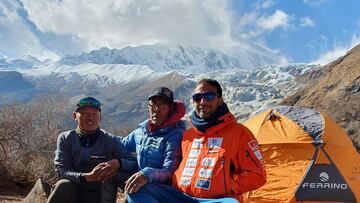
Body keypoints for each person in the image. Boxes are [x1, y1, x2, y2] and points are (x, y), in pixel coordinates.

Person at [128, 79, 266, 203]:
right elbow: (173, 167)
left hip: (216, 200)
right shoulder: (189, 135)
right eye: (197, 97)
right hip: (180, 196)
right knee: (138, 190)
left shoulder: (239, 133)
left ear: (220, 100)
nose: (203, 102)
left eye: (209, 96)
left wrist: (225, 185)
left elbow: (258, 175)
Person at [47, 97, 136, 203]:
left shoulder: (110, 140)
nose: (90, 118)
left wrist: (119, 163)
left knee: (134, 180)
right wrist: (88, 177)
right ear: (74, 116)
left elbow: (134, 163)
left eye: (95, 114)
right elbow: (61, 170)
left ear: (100, 118)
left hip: (101, 193)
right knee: (63, 185)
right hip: (74, 191)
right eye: (85, 113)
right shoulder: (66, 138)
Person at [121, 87, 186, 202]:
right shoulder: (141, 132)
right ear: (148, 107)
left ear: (170, 109)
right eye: (153, 105)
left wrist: (147, 174)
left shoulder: (175, 135)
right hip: (143, 182)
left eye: (163, 106)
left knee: (136, 192)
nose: (157, 110)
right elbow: (121, 144)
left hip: (164, 191)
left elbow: (170, 170)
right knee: (110, 173)